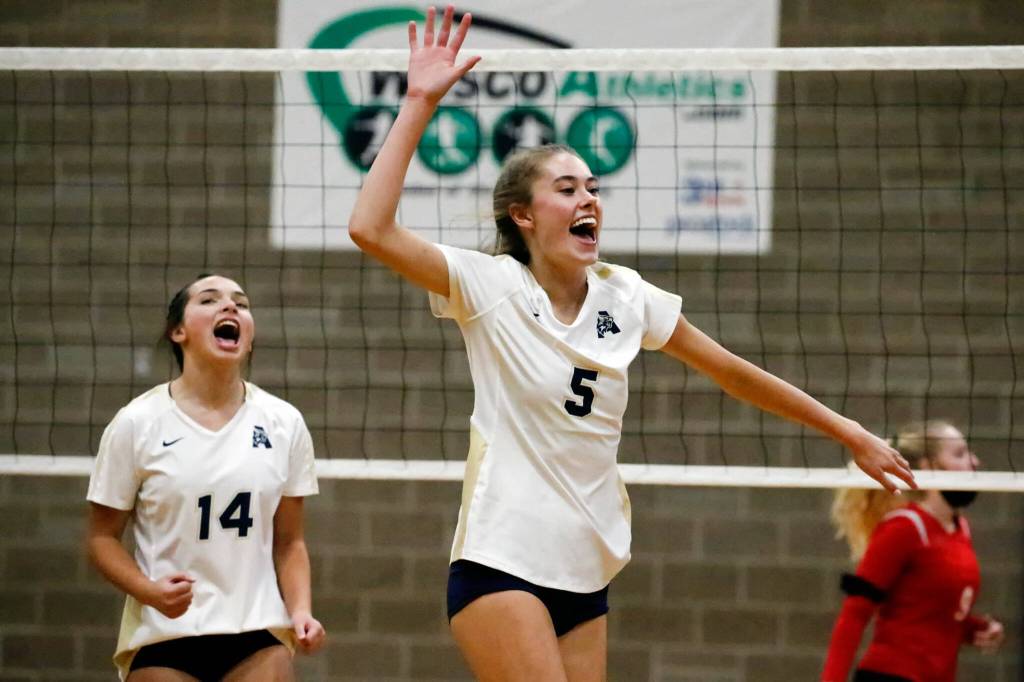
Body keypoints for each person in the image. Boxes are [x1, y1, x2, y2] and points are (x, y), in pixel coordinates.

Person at [347, 6, 917, 680]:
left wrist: (846, 431)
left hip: (585, 566)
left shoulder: (627, 295)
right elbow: (371, 229)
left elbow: (733, 372)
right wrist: (418, 101)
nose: (589, 197)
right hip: (501, 560)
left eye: (592, 186)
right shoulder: (491, 285)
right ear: (523, 216)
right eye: (567, 189)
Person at [85, 274, 326, 681]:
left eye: (241, 303)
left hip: (257, 630)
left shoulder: (284, 422)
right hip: (164, 634)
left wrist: (300, 609)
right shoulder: (136, 423)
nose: (230, 307)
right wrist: (148, 591)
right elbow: (100, 538)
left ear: (248, 337)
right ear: (179, 331)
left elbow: (290, 542)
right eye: (210, 300)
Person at [822, 420, 1005, 682]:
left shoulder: (959, 528)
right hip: (893, 674)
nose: (974, 461)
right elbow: (854, 613)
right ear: (929, 467)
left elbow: (929, 613)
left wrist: (974, 628)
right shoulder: (905, 527)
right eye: (960, 454)